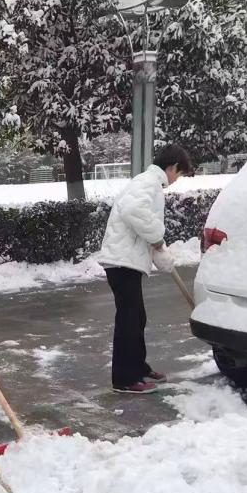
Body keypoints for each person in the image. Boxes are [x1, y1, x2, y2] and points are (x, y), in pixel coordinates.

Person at [98, 144, 193, 395]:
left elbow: (142, 227)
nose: (177, 179)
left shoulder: (150, 183)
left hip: (127, 260)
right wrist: (158, 236)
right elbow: (133, 211)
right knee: (128, 320)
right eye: (180, 173)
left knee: (137, 317)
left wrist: (161, 253)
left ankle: (138, 367)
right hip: (121, 261)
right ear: (173, 167)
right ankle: (124, 379)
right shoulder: (148, 182)